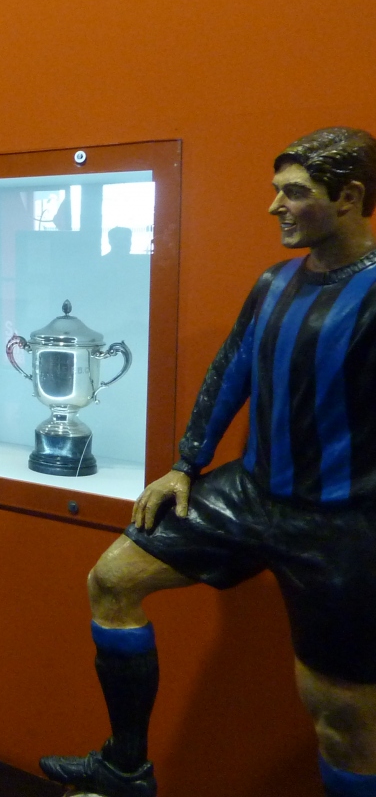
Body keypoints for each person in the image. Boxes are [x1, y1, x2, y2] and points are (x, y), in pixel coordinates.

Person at [40, 127, 376, 797]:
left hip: (340, 524)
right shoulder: (274, 283)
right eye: (276, 190)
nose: (274, 206)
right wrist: (185, 466)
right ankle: (125, 768)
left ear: (349, 198)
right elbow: (230, 371)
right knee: (113, 579)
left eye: (294, 193)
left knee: (343, 716)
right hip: (250, 495)